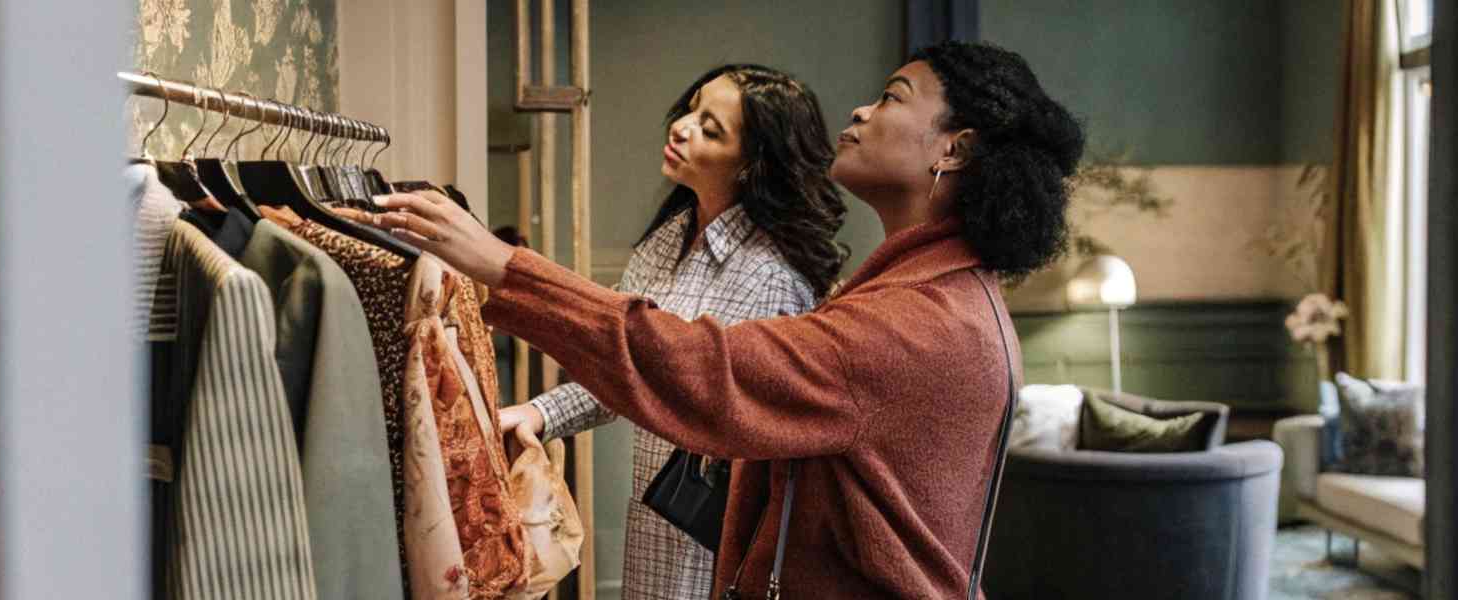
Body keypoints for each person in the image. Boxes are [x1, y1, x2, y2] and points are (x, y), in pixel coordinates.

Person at [361, 41, 1083, 599]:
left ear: (955, 147)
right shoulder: (928, 294)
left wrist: (501, 265)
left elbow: (707, 369)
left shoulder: (917, 323)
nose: (860, 112)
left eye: (893, 97)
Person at [500, 64, 849, 600]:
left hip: (717, 541)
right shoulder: (667, 240)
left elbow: (734, 418)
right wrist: (542, 413)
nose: (682, 127)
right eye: (692, 108)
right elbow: (627, 363)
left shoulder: (773, 278)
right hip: (656, 520)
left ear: (751, 166)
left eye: (712, 130)